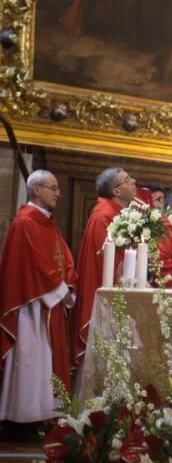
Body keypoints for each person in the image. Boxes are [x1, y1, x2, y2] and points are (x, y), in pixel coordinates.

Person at [0, 171, 77, 425]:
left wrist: (69, 284)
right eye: (52, 188)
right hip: (30, 305)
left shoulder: (46, 222)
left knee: (45, 360)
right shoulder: (25, 222)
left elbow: (62, 255)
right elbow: (35, 264)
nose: (58, 193)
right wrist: (61, 290)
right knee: (30, 358)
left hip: (49, 302)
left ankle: (43, 413)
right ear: (35, 191)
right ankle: (22, 416)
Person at [71, 166, 136, 369]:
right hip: (107, 295)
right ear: (116, 191)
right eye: (127, 179)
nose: (133, 181)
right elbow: (104, 260)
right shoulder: (104, 216)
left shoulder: (120, 214)